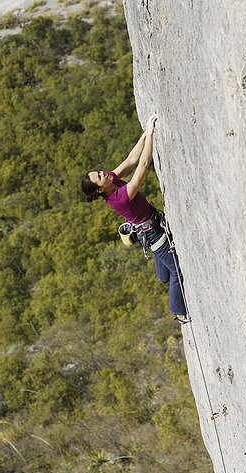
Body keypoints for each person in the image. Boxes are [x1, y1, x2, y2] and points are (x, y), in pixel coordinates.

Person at [81, 115, 189, 324]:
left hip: (148, 228)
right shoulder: (119, 197)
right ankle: (179, 312)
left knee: (166, 273)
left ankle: (162, 276)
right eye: (99, 177)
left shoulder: (111, 180)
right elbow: (143, 165)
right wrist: (149, 135)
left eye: (100, 171)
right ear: (99, 189)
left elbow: (131, 159)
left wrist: (145, 135)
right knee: (176, 271)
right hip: (152, 232)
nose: (104, 173)